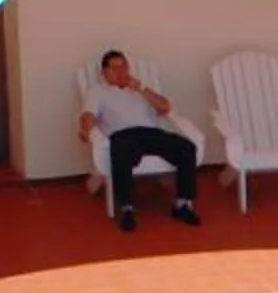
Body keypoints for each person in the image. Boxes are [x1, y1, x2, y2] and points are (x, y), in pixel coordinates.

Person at [81, 50, 202, 232]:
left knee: (186, 148)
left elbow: (165, 107)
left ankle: (183, 204)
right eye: (115, 68)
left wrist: (141, 89)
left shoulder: (140, 88)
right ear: (104, 72)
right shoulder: (97, 91)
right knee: (120, 152)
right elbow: (88, 115)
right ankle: (127, 208)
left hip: (151, 133)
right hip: (123, 136)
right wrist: (85, 129)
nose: (121, 71)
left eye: (124, 66)